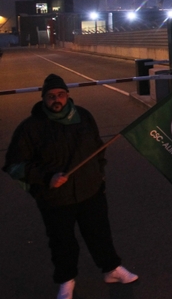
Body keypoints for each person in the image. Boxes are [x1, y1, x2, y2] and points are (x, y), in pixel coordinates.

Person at [3, 74, 138, 299]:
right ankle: (66, 281)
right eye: (51, 96)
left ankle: (111, 269)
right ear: (43, 99)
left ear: (67, 95)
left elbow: (98, 148)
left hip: (90, 191)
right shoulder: (31, 127)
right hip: (56, 198)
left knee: (99, 234)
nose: (56, 100)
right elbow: (14, 165)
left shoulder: (83, 116)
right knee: (62, 242)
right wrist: (47, 178)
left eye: (61, 94)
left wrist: (99, 176)